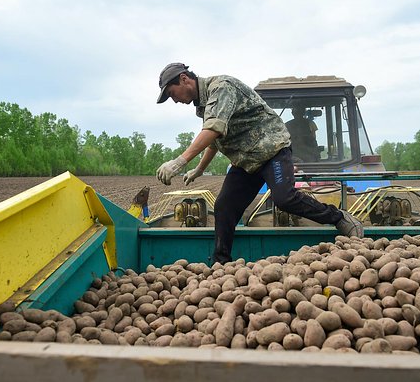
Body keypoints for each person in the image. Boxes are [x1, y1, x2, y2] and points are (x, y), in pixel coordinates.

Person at [155, 62, 363, 263]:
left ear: (184, 79)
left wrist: (178, 162)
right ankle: (221, 264)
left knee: (285, 198)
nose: (174, 100)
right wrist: (199, 169)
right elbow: (215, 140)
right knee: (224, 207)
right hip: (246, 161)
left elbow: (213, 129)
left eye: (172, 94)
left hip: (271, 151)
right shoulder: (204, 105)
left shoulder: (221, 87)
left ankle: (339, 218)